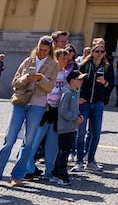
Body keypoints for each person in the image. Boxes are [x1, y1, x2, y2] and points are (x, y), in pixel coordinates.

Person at [0, 36, 55, 186]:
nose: (42, 53)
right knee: (9, 139)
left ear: (50, 50)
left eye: (45, 50)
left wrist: (40, 79)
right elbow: (14, 83)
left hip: (37, 104)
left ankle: (17, 176)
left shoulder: (53, 64)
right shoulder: (28, 61)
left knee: (28, 142)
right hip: (20, 102)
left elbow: (50, 87)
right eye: (40, 49)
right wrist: (25, 78)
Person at [12, 44, 74, 185]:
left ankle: (50, 171)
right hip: (44, 110)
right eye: (63, 58)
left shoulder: (66, 75)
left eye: (67, 58)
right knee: (33, 141)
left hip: (56, 113)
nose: (66, 60)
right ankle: (28, 168)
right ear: (56, 59)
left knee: (53, 144)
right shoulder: (49, 72)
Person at [75, 41, 111, 170]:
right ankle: (79, 161)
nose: (99, 54)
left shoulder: (106, 67)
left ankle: (90, 161)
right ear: (92, 53)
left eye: (102, 51)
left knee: (95, 133)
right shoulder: (84, 66)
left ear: (105, 53)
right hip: (84, 103)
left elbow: (110, 85)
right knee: (81, 133)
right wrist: (78, 97)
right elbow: (75, 81)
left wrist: (104, 82)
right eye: (97, 51)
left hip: (98, 103)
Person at [53, 68, 82, 185]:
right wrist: (75, 117)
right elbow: (63, 110)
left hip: (71, 127)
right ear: (72, 80)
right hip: (65, 128)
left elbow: (75, 108)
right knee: (63, 152)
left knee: (65, 150)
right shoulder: (68, 92)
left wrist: (79, 115)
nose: (81, 82)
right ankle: (61, 175)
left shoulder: (75, 92)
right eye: (79, 79)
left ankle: (56, 174)